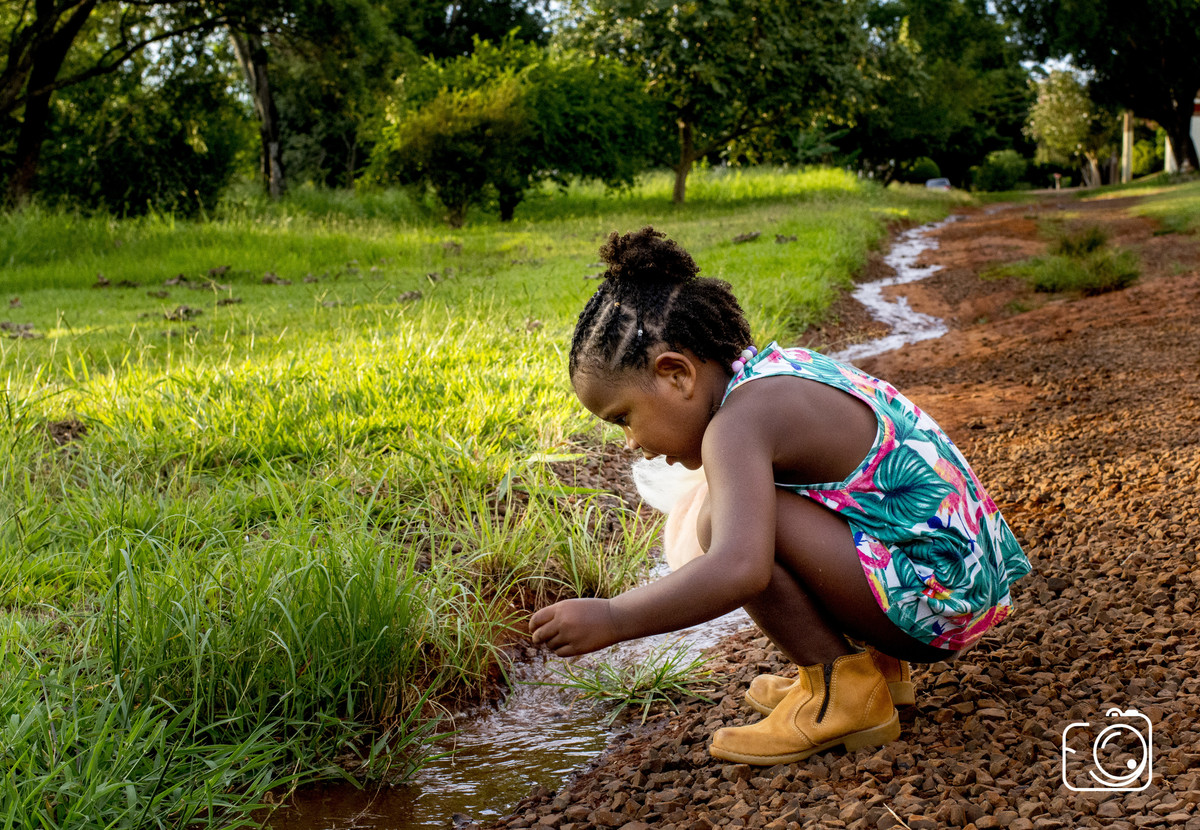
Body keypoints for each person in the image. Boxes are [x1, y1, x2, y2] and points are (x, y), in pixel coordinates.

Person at [530, 227, 1031, 766]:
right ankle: (880, 670)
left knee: (719, 522)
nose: (632, 442)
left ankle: (840, 693)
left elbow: (739, 569)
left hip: (937, 609)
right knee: (752, 506)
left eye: (624, 418)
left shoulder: (735, 427)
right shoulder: (776, 373)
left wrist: (613, 618)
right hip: (959, 585)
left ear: (676, 375)